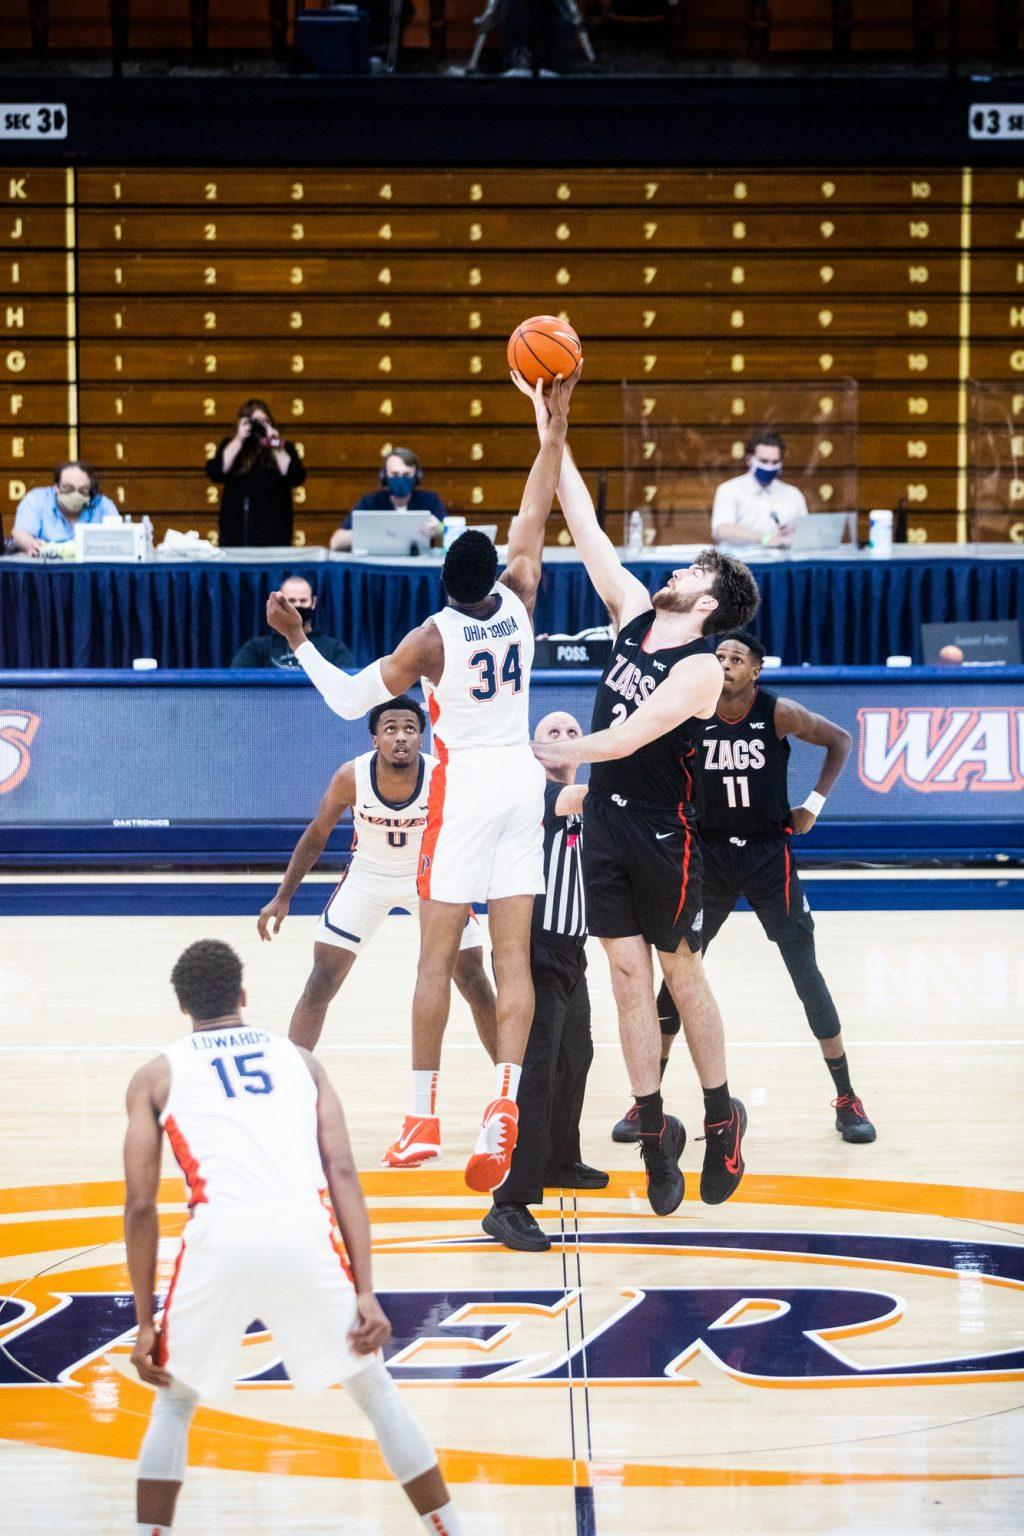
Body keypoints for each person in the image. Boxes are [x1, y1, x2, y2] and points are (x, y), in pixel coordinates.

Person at [266, 367, 579, 1194]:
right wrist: (553, 421)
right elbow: (535, 509)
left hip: (467, 786)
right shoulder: (522, 592)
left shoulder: (430, 640)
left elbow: (344, 702)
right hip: (524, 780)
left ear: (444, 579)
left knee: (434, 957)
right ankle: (505, 1097)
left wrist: (298, 638)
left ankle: (421, 1119)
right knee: (511, 959)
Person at [123, 939, 462, 1536]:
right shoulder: (300, 1061)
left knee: (175, 1403)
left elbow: (141, 1204)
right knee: (377, 1394)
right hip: (303, 1233)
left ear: (183, 1008)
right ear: (243, 996)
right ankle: (452, 1531)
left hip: (218, 1236)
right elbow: (345, 1174)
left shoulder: (155, 1074)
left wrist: (147, 1320)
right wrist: (365, 1291)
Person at [522, 378, 760, 1217]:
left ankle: (722, 1111)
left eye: (692, 568)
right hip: (608, 831)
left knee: (676, 970)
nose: (674, 568)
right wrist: (554, 429)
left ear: (710, 601)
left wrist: (560, 752)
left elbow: (627, 739)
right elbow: (579, 519)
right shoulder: (628, 610)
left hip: (666, 834)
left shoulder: (702, 666)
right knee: (624, 978)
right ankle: (658, 1130)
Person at [614, 630, 875, 1147]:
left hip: (766, 854)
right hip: (706, 856)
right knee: (679, 971)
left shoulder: (776, 712)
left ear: (756, 670)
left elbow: (840, 740)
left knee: (805, 971)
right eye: (720, 657)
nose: (726, 664)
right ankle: (647, 1100)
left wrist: (813, 806)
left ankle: (847, 1095)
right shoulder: (687, 712)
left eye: (737, 659)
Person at [257, 695, 498, 1167]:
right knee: (321, 979)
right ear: (375, 739)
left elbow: (475, 831)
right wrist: (283, 895)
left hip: (430, 878)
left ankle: (516, 1093)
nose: (401, 736)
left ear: (421, 736)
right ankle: (290, 1092)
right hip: (367, 876)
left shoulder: (441, 774)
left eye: (410, 728)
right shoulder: (351, 776)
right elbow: (318, 832)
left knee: (474, 979)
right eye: (390, 728)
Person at [482, 710, 606, 1253]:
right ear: (534, 750)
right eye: (551, 733)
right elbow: (584, 801)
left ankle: (559, 1157)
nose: (562, 739)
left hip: (572, 950)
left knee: (575, 1056)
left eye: (573, 733)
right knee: (533, 1072)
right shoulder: (538, 793)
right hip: (531, 949)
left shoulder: (585, 805)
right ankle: (508, 1202)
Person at [206, 398, 306, 547]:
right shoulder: (232, 447)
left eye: (264, 421)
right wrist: (239, 439)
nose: (258, 427)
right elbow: (216, 472)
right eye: (254, 422)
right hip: (237, 535)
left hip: (275, 534)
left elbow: (296, 477)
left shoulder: (283, 448)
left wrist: (276, 445)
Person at [330, 447, 447, 553]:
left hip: (418, 567)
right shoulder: (370, 502)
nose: (400, 479)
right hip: (378, 567)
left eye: (406, 474)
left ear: (416, 476)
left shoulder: (430, 500)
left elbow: (451, 534)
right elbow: (335, 542)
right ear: (384, 476)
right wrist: (367, 533)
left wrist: (439, 529)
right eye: (395, 474)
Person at [230, 574, 354, 669]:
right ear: (279, 603)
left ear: (313, 602)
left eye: (303, 601)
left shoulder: (334, 649)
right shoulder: (256, 648)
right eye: (292, 601)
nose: (297, 606)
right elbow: (235, 688)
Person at [711, 429, 809, 548]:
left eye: (775, 462)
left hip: (783, 563)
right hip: (742, 563)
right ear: (749, 460)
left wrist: (793, 532)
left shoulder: (793, 494)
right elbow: (722, 530)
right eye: (764, 461)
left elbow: (806, 533)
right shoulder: (730, 490)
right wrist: (765, 538)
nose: (769, 467)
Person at [10, 461, 118, 554]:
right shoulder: (37, 499)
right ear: (56, 487)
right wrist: (30, 544)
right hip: (46, 569)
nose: (76, 494)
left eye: (83, 490)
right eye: (68, 488)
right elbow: (20, 533)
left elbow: (118, 537)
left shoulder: (103, 504)